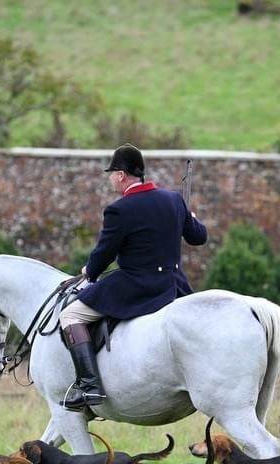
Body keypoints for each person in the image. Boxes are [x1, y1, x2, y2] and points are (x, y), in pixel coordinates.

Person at [57, 143, 208, 412]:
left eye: (111, 173)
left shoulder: (119, 209)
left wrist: (88, 271)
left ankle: (89, 386)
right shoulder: (174, 200)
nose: (110, 178)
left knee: (70, 315)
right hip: (175, 285)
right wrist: (190, 216)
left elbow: (105, 253)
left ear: (121, 175)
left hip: (136, 285)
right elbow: (199, 237)